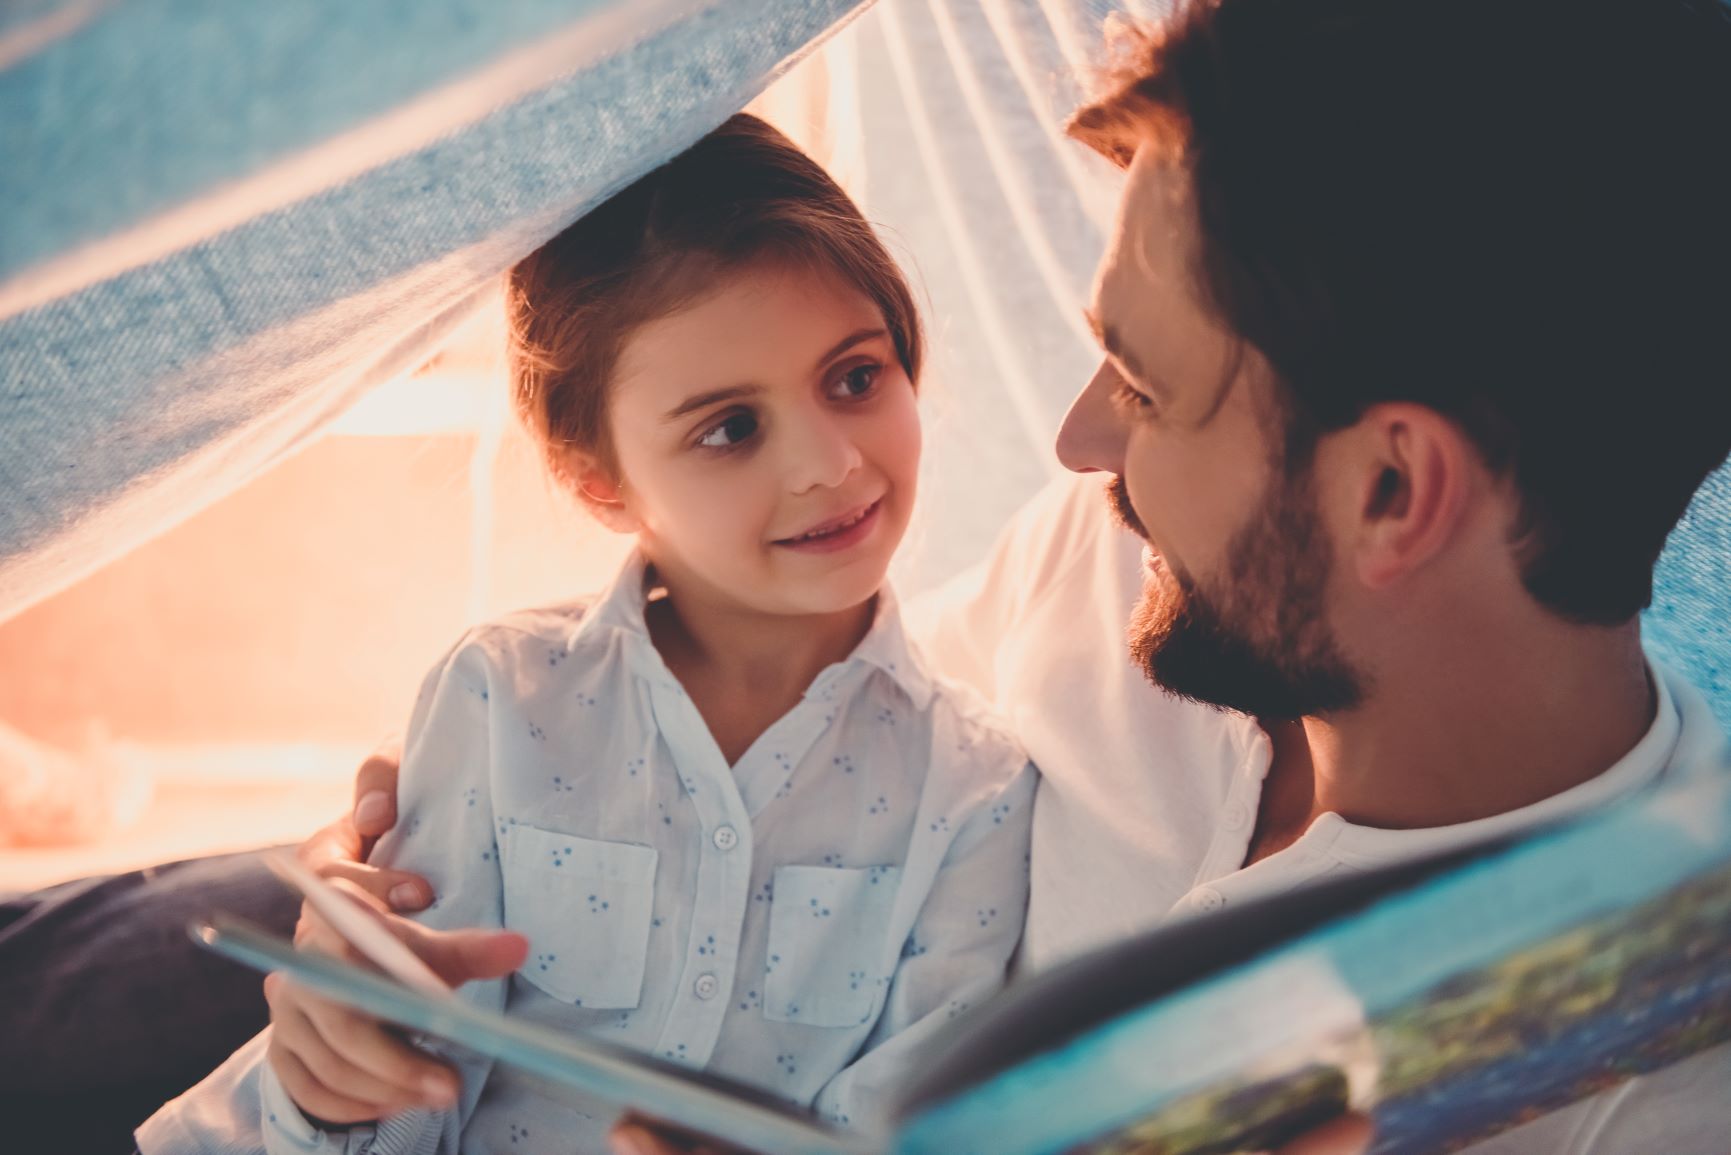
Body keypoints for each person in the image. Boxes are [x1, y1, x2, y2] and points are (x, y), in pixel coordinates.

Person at [4, 1, 1728, 1153]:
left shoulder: (1634, 1064)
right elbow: (774, 733)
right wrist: (356, 884)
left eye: (1141, 392)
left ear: (1389, 487)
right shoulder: (1109, 577)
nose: (1071, 448)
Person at [132, 113, 1036, 1155]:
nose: (830, 463)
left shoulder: (976, 790)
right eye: (730, 428)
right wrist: (339, 1083)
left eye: (856, 377)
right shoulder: (498, 695)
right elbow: (390, 1085)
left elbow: (900, 1127)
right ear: (597, 481)